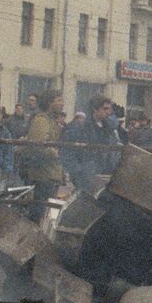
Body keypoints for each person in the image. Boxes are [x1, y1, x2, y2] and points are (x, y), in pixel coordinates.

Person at [19, 89, 66, 221]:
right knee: (39, 213)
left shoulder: (51, 120)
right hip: (43, 174)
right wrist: (57, 154)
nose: (62, 104)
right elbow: (38, 144)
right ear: (49, 103)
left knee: (46, 213)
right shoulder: (41, 120)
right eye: (59, 100)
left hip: (51, 173)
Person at [62, 96, 122, 191]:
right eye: (105, 108)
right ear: (95, 109)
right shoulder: (80, 127)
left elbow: (114, 152)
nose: (108, 112)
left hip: (106, 176)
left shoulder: (110, 129)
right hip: (86, 177)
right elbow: (67, 151)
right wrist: (79, 172)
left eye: (110, 109)